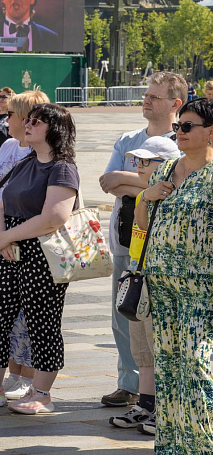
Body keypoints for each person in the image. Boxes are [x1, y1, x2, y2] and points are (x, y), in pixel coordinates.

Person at [0, 103, 79, 415]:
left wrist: (9, 236)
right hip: (11, 247)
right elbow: (0, 203)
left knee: (42, 320)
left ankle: (42, 393)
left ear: (55, 130)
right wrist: (0, 235)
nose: (29, 124)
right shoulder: (26, 161)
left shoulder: (62, 168)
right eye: (30, 119)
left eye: (37, 121)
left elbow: (54, 217)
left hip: (43, 252)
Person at [98, 71, 185, 409]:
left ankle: (155, 389)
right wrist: (147, 186)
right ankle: (128, 383)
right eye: (146, 94)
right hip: (126, 242)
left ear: (174, 103)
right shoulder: (127, 139)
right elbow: (109, 182)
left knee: (157, 321)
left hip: (163, 247)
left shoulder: (183, 141)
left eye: (154, 96)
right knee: (124, 312)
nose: (146, 100)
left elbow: (174, 189)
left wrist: (133, 181)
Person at [131, 98, 213, 451]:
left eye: (188, 126)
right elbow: (141, 225)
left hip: (201, 289)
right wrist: (145, 197)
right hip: (161, 288)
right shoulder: (166, 170)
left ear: (211, 132)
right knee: (170, 371)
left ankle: (203, 444)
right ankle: (174, 445)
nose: (179, 132)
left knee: (197, 368)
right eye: (178, 126)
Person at [0, 89, 47, 400]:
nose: (7, 118)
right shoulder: (7, 146)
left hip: (19, 241)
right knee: (0, 309)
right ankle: (3, 374)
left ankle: (24, 375)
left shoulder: (38, 153)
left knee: (24, 312)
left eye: (13, 114)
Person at [107, 136, 179, 436]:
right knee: (142, 349)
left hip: (161, 279)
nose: (138, 166)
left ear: (166, 164)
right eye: (137, 160)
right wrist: (145, 197)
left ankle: (164, 407)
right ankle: (146, 403)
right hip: (141, 277)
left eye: (146, 161)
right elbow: (140, 225)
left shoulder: (175, 194)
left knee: (159, 346)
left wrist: (149, 196)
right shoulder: (144, 195)